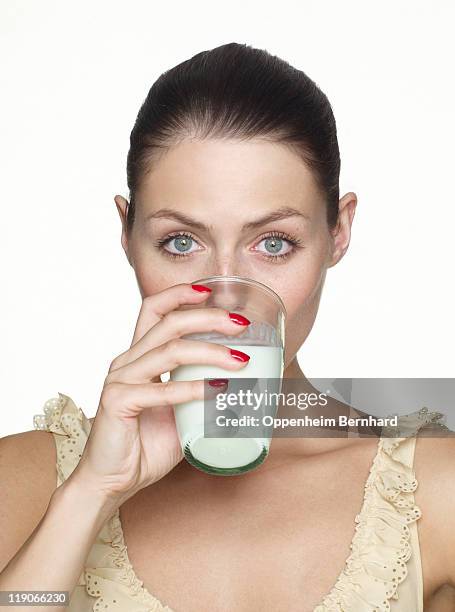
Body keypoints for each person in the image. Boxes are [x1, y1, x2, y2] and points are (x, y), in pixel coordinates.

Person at [1, 42, 454, 612]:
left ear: (338, 232)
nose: (227, 296)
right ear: (127, 233)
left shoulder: (433, 490)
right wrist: (91, 493)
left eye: (273, 244)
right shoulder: (27, 480)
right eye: (181, 242)